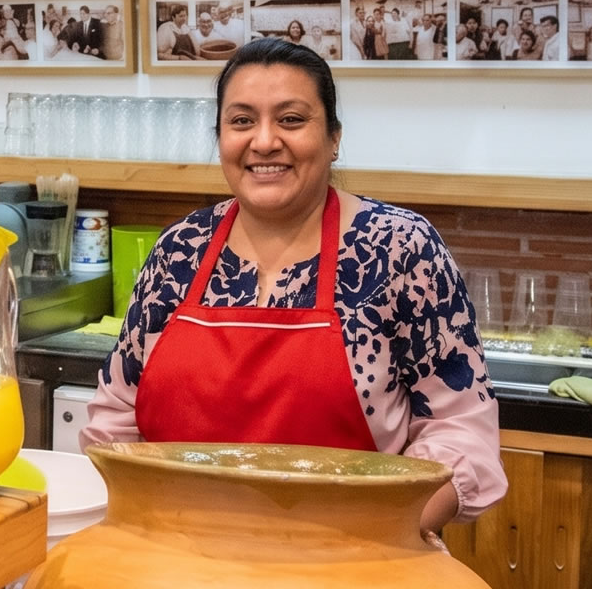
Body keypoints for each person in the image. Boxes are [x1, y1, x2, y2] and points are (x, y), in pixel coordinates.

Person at [81, 39, 506, 536]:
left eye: (291, 119)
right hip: (177, 559)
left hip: (354, 563)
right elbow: (114, 419)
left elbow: (460, 431)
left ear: (333, 138)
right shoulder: (181, 251)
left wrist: (380, 535)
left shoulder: (399, 249)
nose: (264, 141)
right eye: (241, 121)